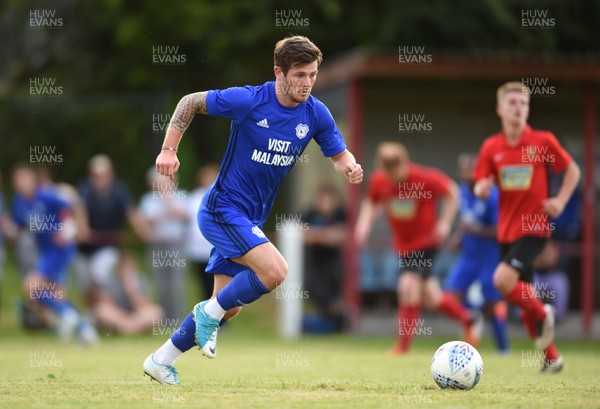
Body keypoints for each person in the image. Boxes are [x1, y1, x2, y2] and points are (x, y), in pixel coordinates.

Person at [143, 35, 363, 385]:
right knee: (276, 272)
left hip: (249, 218)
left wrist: (349, 167)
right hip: (222, 210)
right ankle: (206, 314)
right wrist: (169, 149)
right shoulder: (248, 100)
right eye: (300, 75)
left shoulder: (315, 113)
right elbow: (189, 101)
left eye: (313, 75)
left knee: (228, 307)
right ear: (279, 72)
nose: (307, 83)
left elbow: (339, 155)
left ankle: (161, 359)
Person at [473, 81, 580, 373]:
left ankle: (543, 310)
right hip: (506, 232)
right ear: (499, 108)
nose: (518, 108)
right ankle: (551, 358)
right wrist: (482, 188)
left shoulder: (542, 142)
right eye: (512, 102)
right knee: (523, 302)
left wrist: (559, 200)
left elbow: (572, 169)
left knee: (501, 281)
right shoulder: (491, 147)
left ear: (528, 109)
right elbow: (482, 183)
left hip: (534, 228)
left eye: (523, 103)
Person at [355, 142, 482, 355]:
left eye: (395, 169)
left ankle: (402, 348)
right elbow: (372, 202)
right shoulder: (380, 181)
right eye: (388, 171)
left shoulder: (424, 178)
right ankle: (469, 319)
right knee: (431, 297)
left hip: (426, 243)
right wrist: (363, 224)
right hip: (404, 247)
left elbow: (452, 191)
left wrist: (445, 222)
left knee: (407, 285)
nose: (393, 176)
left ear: (404, 163)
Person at [11, 164, 97, 343]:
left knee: (30, 287)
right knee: (57, 296)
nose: (22, 182)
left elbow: (74, 204)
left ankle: (69, 318)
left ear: (33, 180)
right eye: (18, 179)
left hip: (59, 249)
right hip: (45, 253)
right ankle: (84, 328)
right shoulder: (19, 202)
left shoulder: (45, 196)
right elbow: (19, 227)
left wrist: (79, 227)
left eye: (25, 178)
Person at [445, 153, 509, 354]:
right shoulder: (463, 191)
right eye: (462, 168)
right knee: (451, 296)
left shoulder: (492, 194)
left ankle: (503, 348)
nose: (465, 172)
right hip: (468, 255)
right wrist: (460, 236)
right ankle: (470, 325)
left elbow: (502, 230)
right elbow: (467, 222)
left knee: (492, 303)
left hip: (489, 257)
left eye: (469, 167)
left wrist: (476, 230)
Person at [76, 155, 151, 307]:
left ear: (111, 175)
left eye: (103, 175)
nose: (100, 179)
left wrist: (144, 232)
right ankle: (93, 316)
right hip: (84, 250)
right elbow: (80, 213)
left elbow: (132, 214)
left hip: (108, 248)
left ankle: (109, 310)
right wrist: (83, 231)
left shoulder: (119, 192)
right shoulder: (84, 190)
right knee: (84, 285)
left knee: (101, 277)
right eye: (96, 175)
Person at [140, 167, 188, 321]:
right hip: (157, 246)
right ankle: (163, 320)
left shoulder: (181, 196)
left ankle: (178, 321)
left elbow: (183, 215)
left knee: (176, 286)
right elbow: (147, 221)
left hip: (176, 246)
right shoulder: (148, 199)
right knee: (160, 286)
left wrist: (167, 201)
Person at [301, 183, 346, 333]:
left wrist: (317, 235)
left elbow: (343, 235)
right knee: (315, 287)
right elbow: (300, 235)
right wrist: (325, 236)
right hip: (314, 262)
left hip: (334, 262)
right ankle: (328, 318)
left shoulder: (341, 214)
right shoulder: (309, 214)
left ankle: (335, 318)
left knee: (335, 287)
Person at [88, 251, 164, 335]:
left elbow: (145, 305)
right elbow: (105, 304)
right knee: (101, 310)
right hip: (119, 315)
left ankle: (128, 329)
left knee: (156, 312)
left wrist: (132, 292)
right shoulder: (110, 281)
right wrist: (122, 316)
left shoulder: (141, 281)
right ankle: (129, 328)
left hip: (136, 315)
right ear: (118, 268)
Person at [183, 165, 219, 300]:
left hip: (217, 248)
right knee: (203, 283)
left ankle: (220, 313)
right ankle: (205, 311)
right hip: (198, 249)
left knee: (218, 282)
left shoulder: (222, 197)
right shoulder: (194, 198)